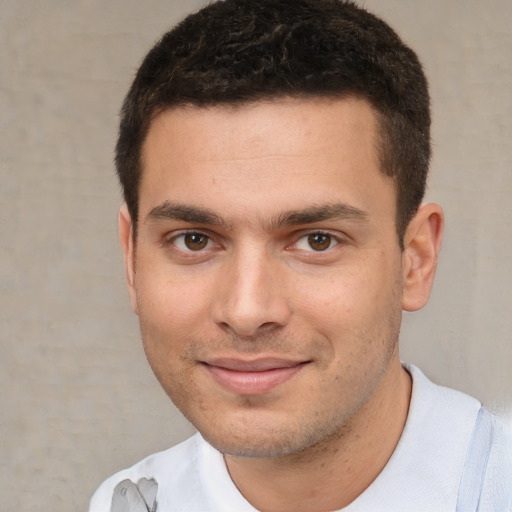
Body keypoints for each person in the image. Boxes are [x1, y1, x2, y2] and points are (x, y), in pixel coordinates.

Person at [89, 0, 512, 510]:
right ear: (132, 260)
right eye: (194, 239)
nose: (246, 312)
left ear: (415, 260)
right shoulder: (126, 501)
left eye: (317, 240)